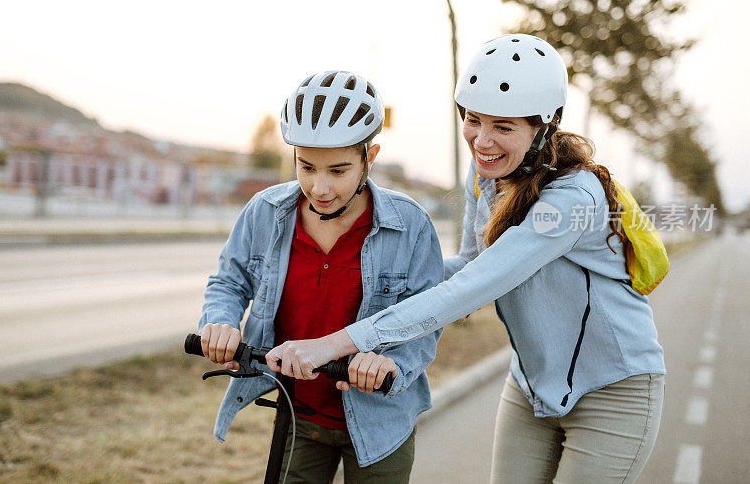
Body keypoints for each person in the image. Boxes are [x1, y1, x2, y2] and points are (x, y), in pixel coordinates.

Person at [265, 35, 666, 483]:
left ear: (545, 125)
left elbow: (474, 287)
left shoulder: (573, 198)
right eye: (473, 120)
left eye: (504, 127)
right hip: (531, 386)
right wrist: (366, 281)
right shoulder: (489, 175)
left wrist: (338, 342)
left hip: (614, 391)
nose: (483, 140)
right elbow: (467, 266)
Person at [198, 70, 444, 483]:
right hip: (298, 414)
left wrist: (389, 364)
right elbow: (229, 281)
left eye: (338, 170)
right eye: (306, 166)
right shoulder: (265, 212)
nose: (319, 187)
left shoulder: (411, 225)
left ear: (371, 156)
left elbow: (426, 320)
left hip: (380, 424)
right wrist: (219, 322)